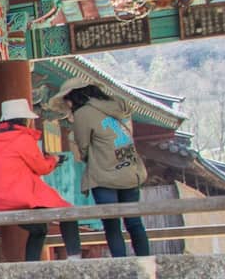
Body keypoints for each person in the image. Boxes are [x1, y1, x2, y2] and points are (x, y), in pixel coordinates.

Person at [51, 80, 151, 257]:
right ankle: (146, 263)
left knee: (112, 224)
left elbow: (82, 146)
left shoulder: (83, 113)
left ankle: (121, 266)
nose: (67, 104)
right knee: (134, 222)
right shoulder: (117, 106)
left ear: (74, 96)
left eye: (67, 99)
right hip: (130, 170)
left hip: (105, 175)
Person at [0, 99, 83, 261]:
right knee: (68, 212)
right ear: (25, 120)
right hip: (20, 196)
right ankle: (74, 257)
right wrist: (54, 160)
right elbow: (41, 168)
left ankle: (32, 266)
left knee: (39, 229)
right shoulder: (22, 139)